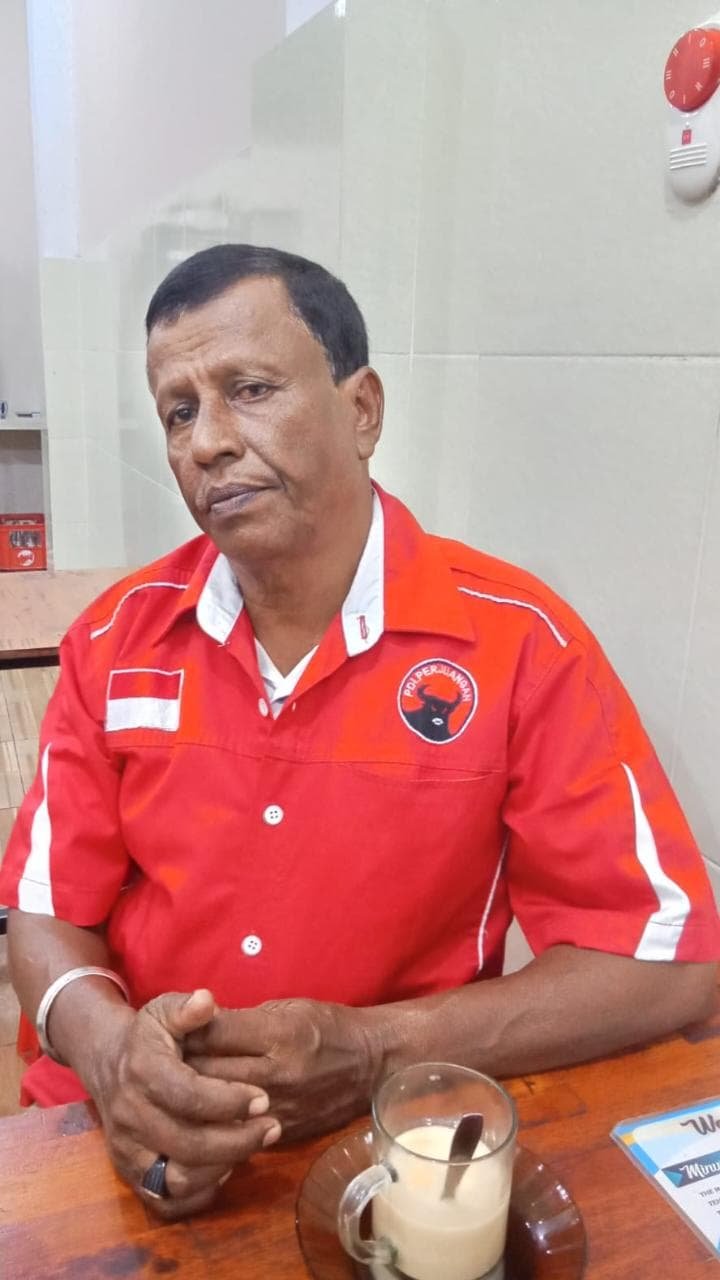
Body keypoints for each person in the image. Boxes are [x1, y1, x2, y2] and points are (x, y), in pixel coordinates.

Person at [1, 244, 718, 1221]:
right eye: (179, 410)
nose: (207, 442)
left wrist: (380, 1048)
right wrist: (113, 1054)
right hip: (123, 1127)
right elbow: (45, 911)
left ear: (363, 410)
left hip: (399, 1146)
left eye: (250, 390)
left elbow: (668, 962)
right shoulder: (114, 642)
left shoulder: (519, 647)